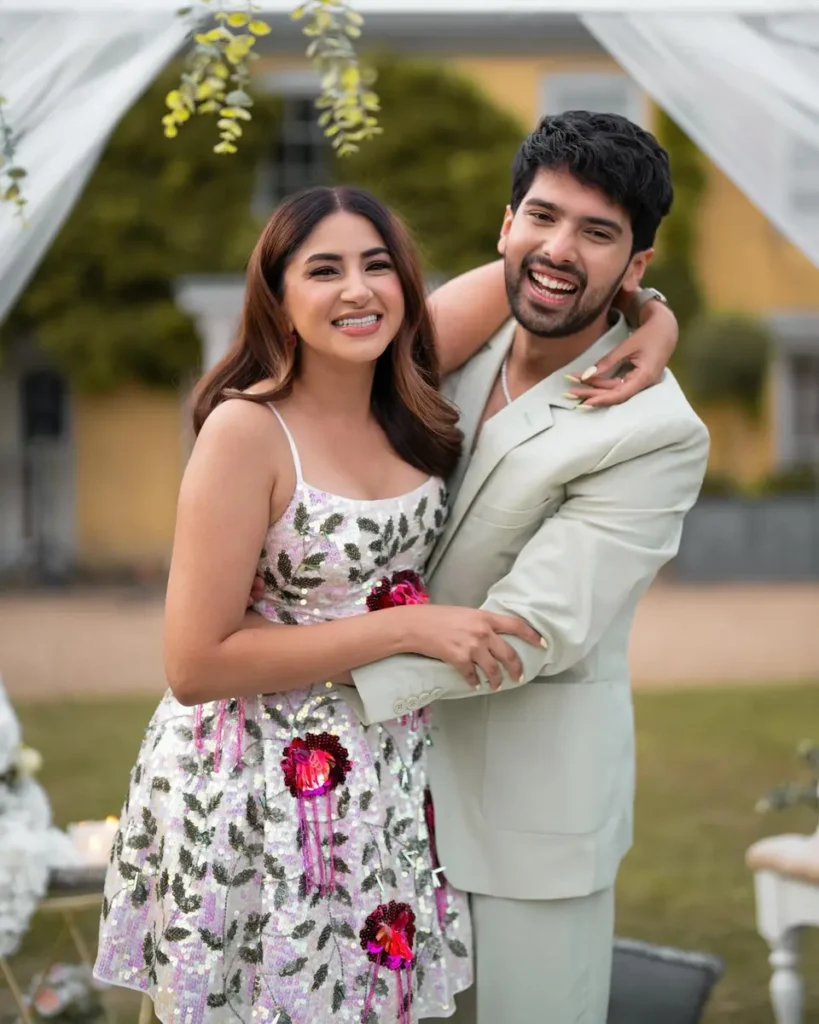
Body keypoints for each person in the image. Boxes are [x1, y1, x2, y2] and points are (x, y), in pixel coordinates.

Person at [94, 183, 678, 1024]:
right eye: (322, 270)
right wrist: (405, 626)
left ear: (408, 286)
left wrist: (650, 315)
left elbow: (544, 266)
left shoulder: (406, 387)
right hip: (254, 784)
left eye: (377, 266)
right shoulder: (245, 431)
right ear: (280, 301)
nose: (357, 290)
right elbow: (194, 664)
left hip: (387, 783)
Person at [320, 112, 710, 1024]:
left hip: (527, 828)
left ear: (635, 268)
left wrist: (290, 667)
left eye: (598, 232)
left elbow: (530, 633)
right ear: (506, 223)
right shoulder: (444, 342)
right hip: (362, 806)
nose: (559, 249)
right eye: (543, 216)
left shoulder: (654, 432)